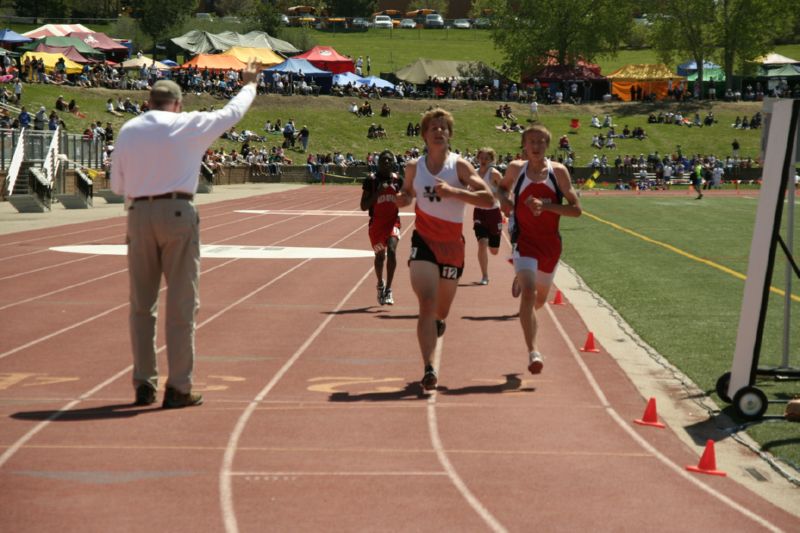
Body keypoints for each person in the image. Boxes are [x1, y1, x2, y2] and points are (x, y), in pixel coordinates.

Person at [111, 60, 259, 409]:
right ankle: (178, 386)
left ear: (148, 102)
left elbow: (117, 184)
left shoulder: (129, 129)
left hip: (138, 214)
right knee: (181, 304)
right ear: (177, 104)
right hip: (178, 212)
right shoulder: (188, 124)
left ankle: (143, 383)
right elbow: (232, 112)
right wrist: (250, 84)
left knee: (140, 306)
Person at [395, 108, 495, 390]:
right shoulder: (415, 167)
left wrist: (454, 192)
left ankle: (437, 324)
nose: (439, 132)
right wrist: (400, 199)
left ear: (450, 135)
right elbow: (407, 193)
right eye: (433, 128)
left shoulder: (460, 167)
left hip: (452, 247)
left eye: (444, 128)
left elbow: (488, 199)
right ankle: (429, 368)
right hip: (423, 241)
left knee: (440, 311)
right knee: (426, 303)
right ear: (425, 135)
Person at [497, 125, 582, 375]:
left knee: (540, 300)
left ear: (548, 145)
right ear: (524, 145)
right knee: (529, 294)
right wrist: (506, 202)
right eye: (531, 141)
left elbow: (576, 210)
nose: (536, 146)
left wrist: (546, 207)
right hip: (524, 241)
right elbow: (502, 188)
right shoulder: (516, 169)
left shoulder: (558, 173)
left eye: (541, 142)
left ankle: (522, 281)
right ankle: (533, 351)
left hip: (550, 245)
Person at [360, 150, 403, 306]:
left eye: (389, 160)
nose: (386, 162)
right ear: (378, 163)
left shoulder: (398, 180)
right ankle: (380, 283)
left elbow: (405, 198)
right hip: (376, 225)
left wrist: (403, 197)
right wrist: (379, 192)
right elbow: (363, 206)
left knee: (392, 250)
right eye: (383, 160)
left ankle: (389, 289)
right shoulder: (371, 181)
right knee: (380, 257)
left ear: (393, 163)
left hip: (393, 221)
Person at [472, 147, 504, 285]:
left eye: (487, 158)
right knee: (482, 243)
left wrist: (492, 195)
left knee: (494, 250)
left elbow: (505, 191)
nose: (484, 161)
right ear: (478, 158)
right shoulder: (473, 174)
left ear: (492, 160)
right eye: (482, 158)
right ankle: (485, 276)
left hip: (494, 213)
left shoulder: (494, 174)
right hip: (479, 212)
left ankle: (494, 241)